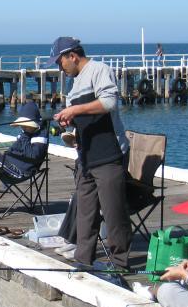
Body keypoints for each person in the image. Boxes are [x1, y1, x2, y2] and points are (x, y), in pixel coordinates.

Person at [51, 36, 131, 271]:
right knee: (85, 215)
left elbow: (109, 103)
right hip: (85, 157)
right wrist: (69, 127)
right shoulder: (73, 86)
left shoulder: (99, 70)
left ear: (72, 56)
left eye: (60, 62)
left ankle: (120, 265)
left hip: (109, 155)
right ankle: (83, 261)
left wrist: (74, 109)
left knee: (114, 214)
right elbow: (79, 120)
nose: (59, 68)